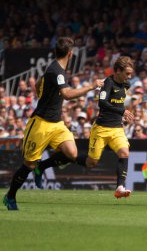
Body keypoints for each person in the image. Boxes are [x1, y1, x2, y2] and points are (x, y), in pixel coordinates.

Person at [3, 37, 104, 210]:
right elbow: (67, 94)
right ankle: (10, 196)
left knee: (71, 153)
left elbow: (38, 83)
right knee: (28, 164)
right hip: (40, 124)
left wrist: (44, 96)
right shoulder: (57, 71)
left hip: (57, 123)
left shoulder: (55, 70)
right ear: (70, 54)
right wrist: (91, 86)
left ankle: (41, 167)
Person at [40, 56, 135, 199]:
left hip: (117, 129)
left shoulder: (126, 85)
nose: (130, 76)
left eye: (130, 73)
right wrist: (122, 111)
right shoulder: (108, 83)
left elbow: (118, 104)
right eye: (127, 73)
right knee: (91, 162)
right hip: (101, 129)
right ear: (118, 71)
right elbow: (102, 103)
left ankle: (119, 188)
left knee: (124, 153)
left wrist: (124, 116)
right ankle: (52, 162)